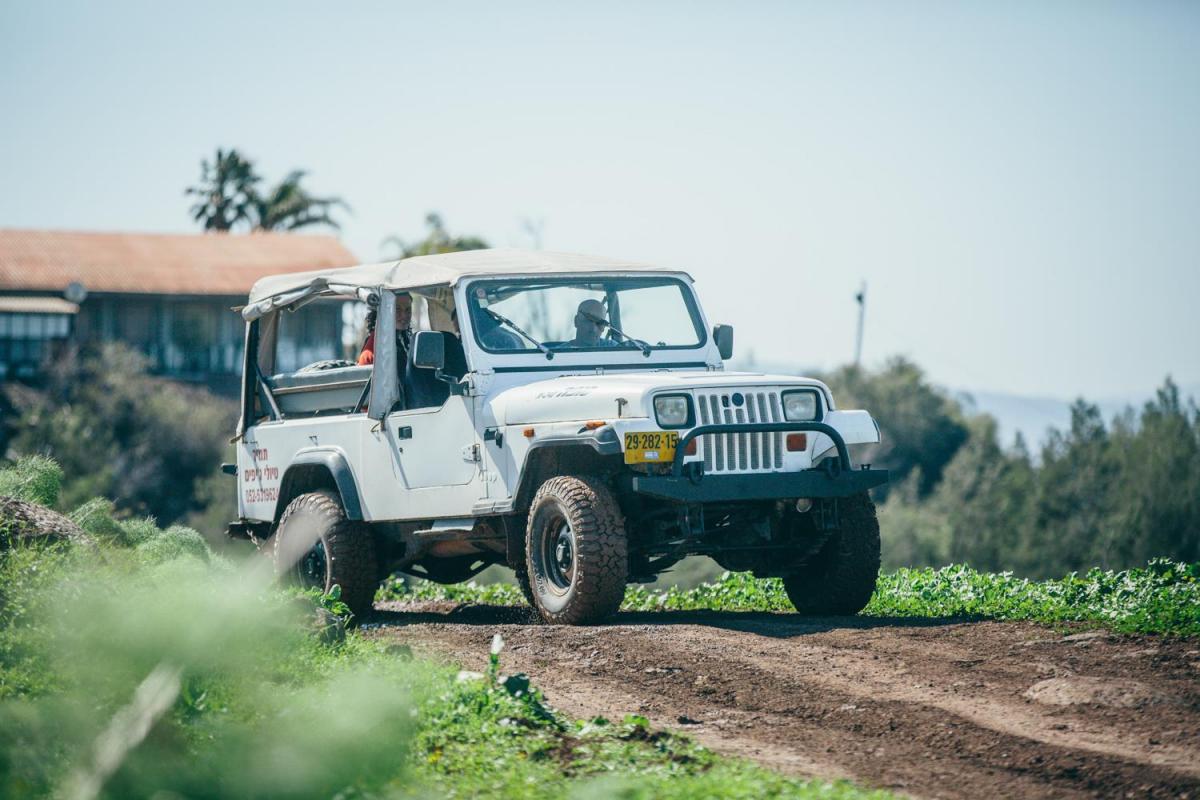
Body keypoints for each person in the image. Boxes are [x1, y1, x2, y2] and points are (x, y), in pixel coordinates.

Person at [357, 292, 413, 366]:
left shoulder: (402, 341)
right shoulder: (377, 345)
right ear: (384, 311)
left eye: (408, 310)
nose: (404, 315)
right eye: (397, 309)